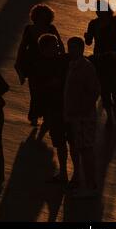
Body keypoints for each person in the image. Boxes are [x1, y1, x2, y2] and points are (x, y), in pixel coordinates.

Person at [15, 4, 64, 126]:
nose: (43, 18)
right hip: (34, 65)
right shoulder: (29, 29)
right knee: (35, 91)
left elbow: (59, 44)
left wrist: (62, 57)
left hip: (49, 64)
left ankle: (43, 115)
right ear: (36, 16)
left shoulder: (51, 28)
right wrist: (18, 62)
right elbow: (22, 46)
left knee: (47, 90)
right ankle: (35, 116)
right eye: (41, 15)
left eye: (45, 15)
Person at [64, 37, 100, 198]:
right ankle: (85, 181)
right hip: (75, 115)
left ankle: (90, 184)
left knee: (86, 150)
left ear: (80, 49)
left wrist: (83, 109)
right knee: (81, 148)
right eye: (69, 47)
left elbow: (94, 91)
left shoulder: (85, 68)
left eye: (73, 48)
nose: (71, 51)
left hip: (83, 116)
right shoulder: (72, 65)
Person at [33, 34, 71, 184]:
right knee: (62, 142)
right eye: (53, 46)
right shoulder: (41, 67)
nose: (57, 48)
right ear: (44, 49)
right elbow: (38, 89)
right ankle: (64, 171)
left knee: (68, 142)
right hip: (56, 109)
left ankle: (65, 172)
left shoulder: (64, 60)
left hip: (65, 108)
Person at [84, 1, 116, 127]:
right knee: (108, 87)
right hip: (103, 59)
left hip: (109, 58)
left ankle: (114, 107)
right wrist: (87, 37)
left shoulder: (109, 22)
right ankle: (111, 112)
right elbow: (89, 42)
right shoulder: (96, 23)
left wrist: (87, 37)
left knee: (112, 85)